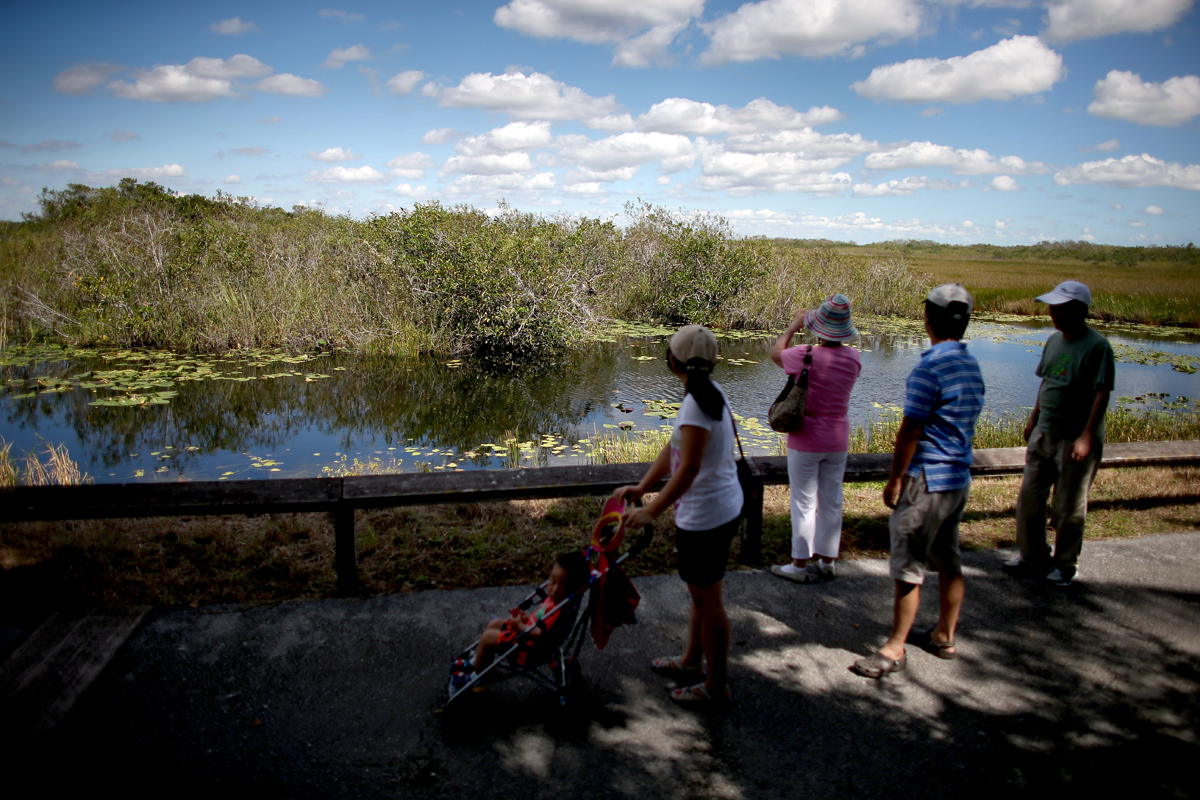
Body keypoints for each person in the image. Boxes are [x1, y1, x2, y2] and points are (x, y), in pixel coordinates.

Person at [851, 284, 985, 679]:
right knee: (949, 560)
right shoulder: (970, 364)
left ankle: (894, 649)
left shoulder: (929, 367)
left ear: (928, 319)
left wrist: (895, 479)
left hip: (926, 480)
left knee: (909, 567)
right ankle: (944, 635)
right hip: (957, 478)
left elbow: (910, 430)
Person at [615, 324, 742, 704]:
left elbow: (688, 468)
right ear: (712, 363)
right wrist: (643, 486)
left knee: (709, 601)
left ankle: (716, 686)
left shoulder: (695, 404)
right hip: (721, 507)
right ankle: (690, 661)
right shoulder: (709, 394)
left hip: (708, 518)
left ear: (672, 361)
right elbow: (673, 450)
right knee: (701, 595)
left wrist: (652, 510)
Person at [1004, 281, 1115, 587]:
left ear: (1080, 310)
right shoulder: (1053, 341)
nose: (1053, 313)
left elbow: (1102, 393)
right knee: (1030, 498)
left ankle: (1065, 564)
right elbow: (1047, 382)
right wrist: (1033, 420)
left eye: (1060, 309)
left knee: (1068, 505)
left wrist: (1086, 437)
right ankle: (1031, 556)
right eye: (1052, 308)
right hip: (1044, 431)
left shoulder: (1097, 346)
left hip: (1074, 437)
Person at [769, 294, 862, 584]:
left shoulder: (804, 354)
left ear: (819, 327)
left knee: (803, 501)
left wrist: (792, 327)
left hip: (805, 438)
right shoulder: (854, 358)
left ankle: (798, 565)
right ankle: (827, 560)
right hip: (837, 439)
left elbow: (775, 354)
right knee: (832, 499)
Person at [451, 550, 590, 691]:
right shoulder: (556, 602)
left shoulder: (558, 611)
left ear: (572, 591)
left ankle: (476, 678)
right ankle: (485, 666)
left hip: (527, 651)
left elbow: (538, 633)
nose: (554, 589)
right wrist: (527, 618)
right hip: (528, 640)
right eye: (552, 581)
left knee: (488, 637)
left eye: (563, 587)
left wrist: (519, 625)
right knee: (494, 624)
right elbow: (540, 621)